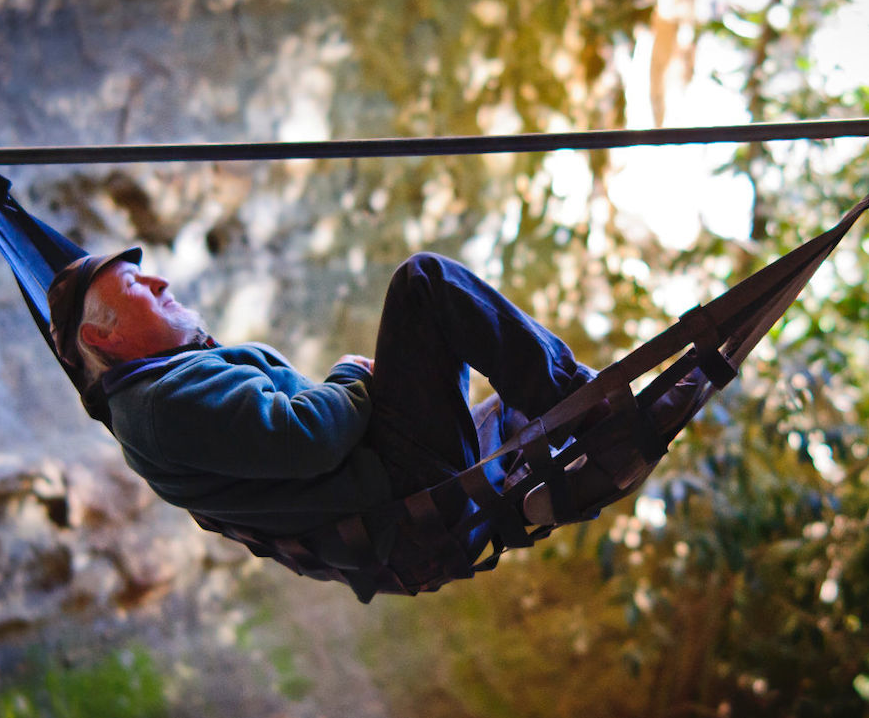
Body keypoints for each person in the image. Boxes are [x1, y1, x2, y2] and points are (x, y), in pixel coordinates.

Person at [47, 248, 703, 583]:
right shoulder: (162, 404)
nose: (159, 282)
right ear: (104, 338)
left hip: (398, 507)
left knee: (516, 405)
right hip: (402, 500)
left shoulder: (158, 399)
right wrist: (352, 375)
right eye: (134, 286)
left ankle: (563, 449)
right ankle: (592, 420)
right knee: (425, 284)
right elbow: (310, 436)